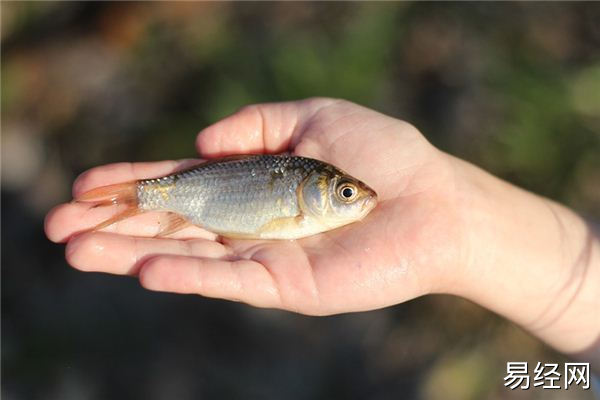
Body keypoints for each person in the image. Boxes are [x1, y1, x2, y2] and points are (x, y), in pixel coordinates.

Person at [45, 98, 599, 373]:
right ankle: (129, 197)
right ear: (313, 190)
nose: (353, 201)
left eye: (346, 195)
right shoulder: (297, 185)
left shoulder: (307, 188)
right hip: (196, 198)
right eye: (344, 194)